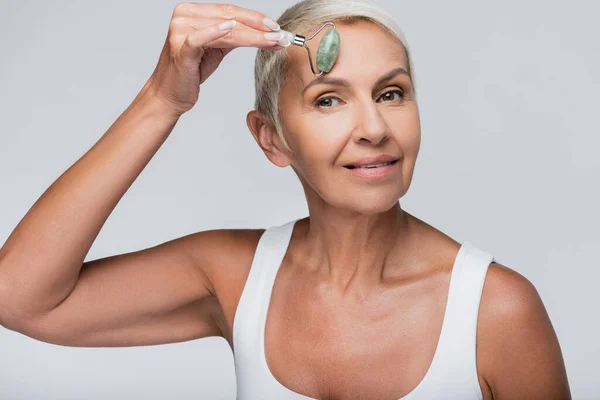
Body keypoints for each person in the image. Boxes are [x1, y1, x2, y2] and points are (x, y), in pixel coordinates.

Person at [0, 1, 571, 399]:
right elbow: (19, 298)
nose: (374, 127)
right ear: (270, 138)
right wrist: (161, 99)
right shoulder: (232, 276)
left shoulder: (497, 310)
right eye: (329, 100)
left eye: (391, 93)